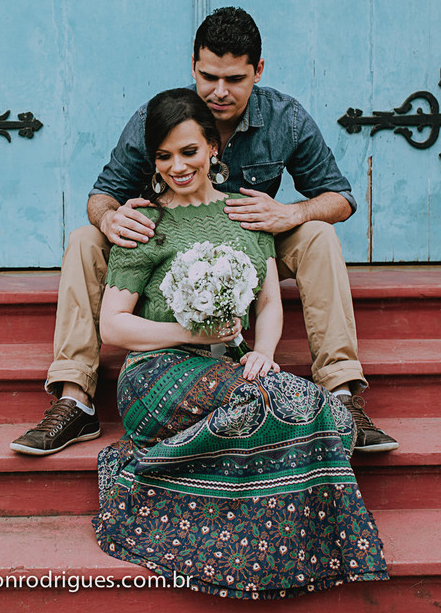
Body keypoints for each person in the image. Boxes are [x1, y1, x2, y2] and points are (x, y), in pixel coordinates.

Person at [10, 6, 397, 456]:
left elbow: (341, 197)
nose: (218, 91)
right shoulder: (158, 116)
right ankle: (75, 398)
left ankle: (343, 393)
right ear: (193, 66)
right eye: (208, 76)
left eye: (234, 79)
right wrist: (108, 218)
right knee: (82, 239)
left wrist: (289, 214)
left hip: (252, 232)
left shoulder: (285, 118)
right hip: (167, 240)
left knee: (319, 236)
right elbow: (102, 194)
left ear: (258, 72)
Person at [91, 88, 388, 598]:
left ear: (213, 148)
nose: (176, 167)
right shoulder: (146, 222)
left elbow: (270, 302)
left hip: (229, 368)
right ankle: (150, 486)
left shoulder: (245, 213)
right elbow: (114, 327)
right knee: (269, 405)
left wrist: (264, 351)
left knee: (331, 417)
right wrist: (188, 333)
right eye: (163, 156)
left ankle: (263, 531)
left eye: (188, 152)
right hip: (157, 373)